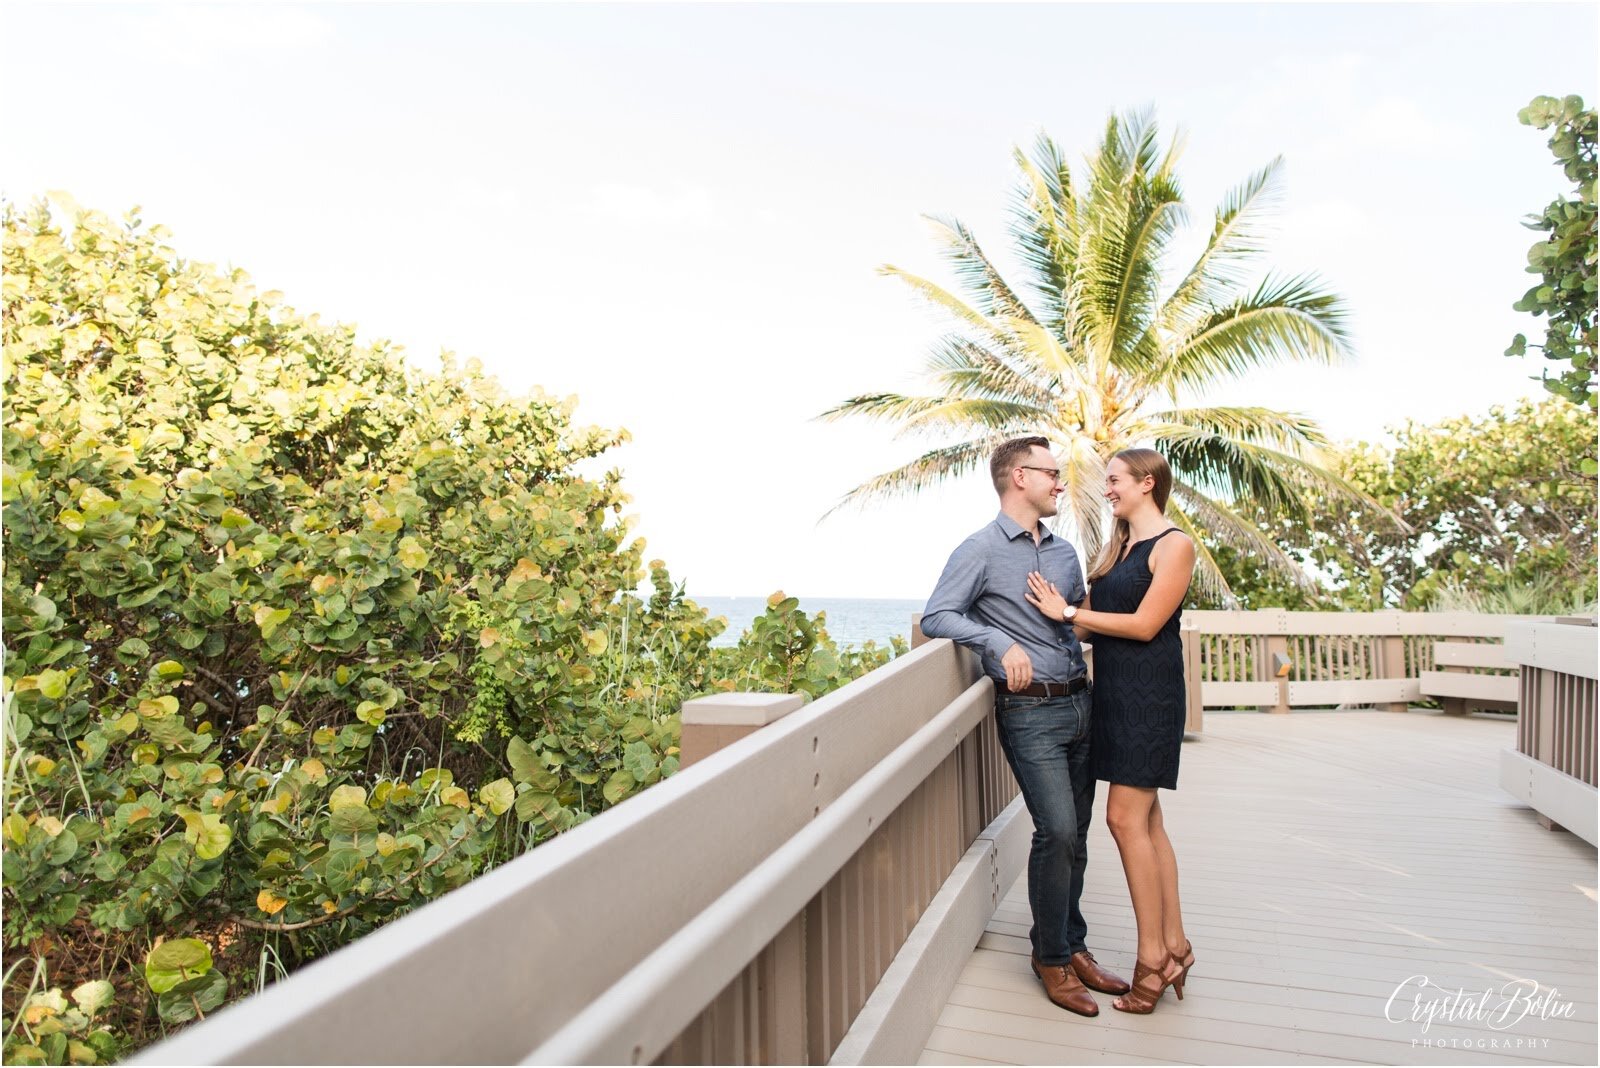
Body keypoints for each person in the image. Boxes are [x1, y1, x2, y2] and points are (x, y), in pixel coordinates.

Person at [921, 435, 1130, 1018]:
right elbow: (940, 613)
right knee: (1057, 830)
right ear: (1019, 477)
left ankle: (1074, 945)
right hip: (1029, 711)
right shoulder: (980, 549)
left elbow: (1079, 624)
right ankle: (1050, 958)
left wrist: (1071, 615)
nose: (1061, 483)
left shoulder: (1063, 553)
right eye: (1052, 473)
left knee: (1079, 835)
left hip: (1080, 704)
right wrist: (997, 639)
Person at [1023, 447, 1196, 1014]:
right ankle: (1175, 944)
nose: (1108, 490)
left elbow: (1146, 625)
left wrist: (1068, 615)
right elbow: (1090, 625)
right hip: (1114, 695)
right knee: (1148, 821)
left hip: (1151, 695)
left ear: (1147, 483)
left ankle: (1151, 957)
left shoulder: (1176, 545)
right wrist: (1019, 634)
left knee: (1124, 818)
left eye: (1116, 481)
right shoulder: (1119, 546)